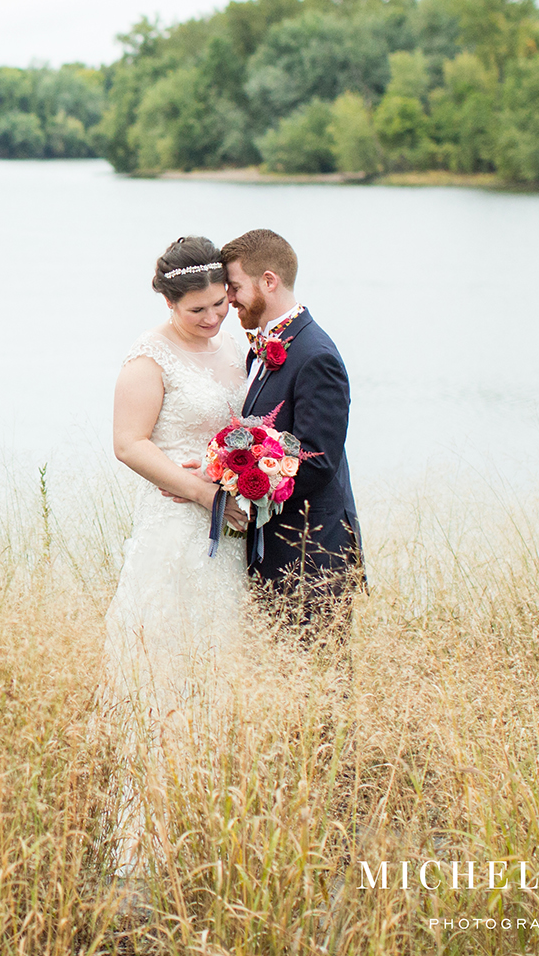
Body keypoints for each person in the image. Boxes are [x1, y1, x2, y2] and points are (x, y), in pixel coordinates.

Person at [100, 235, 253, 873]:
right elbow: (130, 444)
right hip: (177, 526)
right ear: (169, 302)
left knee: (222, 663)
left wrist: (241, 471)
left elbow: (245, 427)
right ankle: (148, 832)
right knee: (167, 665)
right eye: (199, 310)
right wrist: (198, 490)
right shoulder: (147, 361)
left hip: (231, 532)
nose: (215, 318)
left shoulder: (239, 351)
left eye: (221, 303)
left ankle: (214, 814)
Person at [219, 227, 363, 639]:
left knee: (319, 685)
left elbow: (317, 461)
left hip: (310, 553)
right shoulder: (262, 348)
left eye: (234, 287)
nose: (229, 300)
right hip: (274, 547)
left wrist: (236, 486)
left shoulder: (315, 356)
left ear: (269, 281)